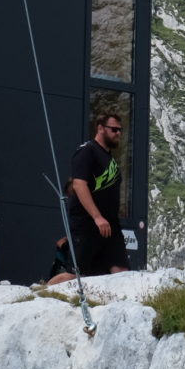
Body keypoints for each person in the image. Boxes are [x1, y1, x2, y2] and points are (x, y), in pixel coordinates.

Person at [63, 110, 130, 277]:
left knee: (121, 272)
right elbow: (79, 184)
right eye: (114, 129)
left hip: (110, 225)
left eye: (120, 130)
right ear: (100, 128)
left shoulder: (110, 159)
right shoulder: (87, 150)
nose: (118, 134)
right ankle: (41, 292)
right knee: (77, 276)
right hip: (87, 224)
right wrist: (97, 216)